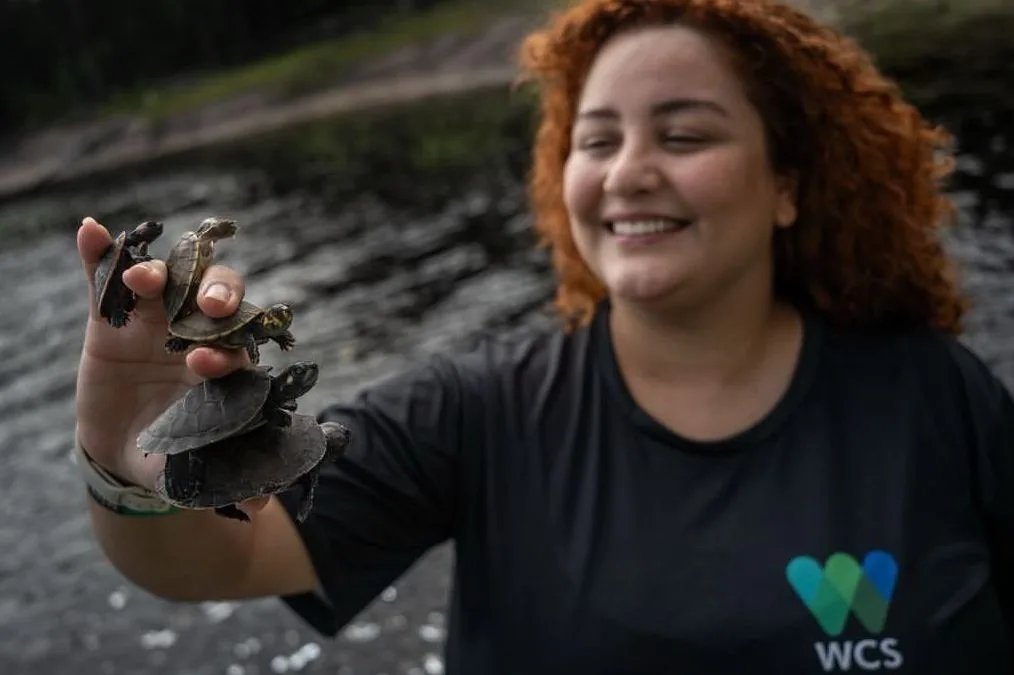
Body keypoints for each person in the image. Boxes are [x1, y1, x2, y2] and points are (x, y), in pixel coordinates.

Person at [72, 0, 1014, 672]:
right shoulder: (475, 414)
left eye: (684, 136)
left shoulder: (936, 394)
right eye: (596, 141)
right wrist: (132, 465)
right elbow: (222, 559)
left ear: (789, 185)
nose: (629, 171)